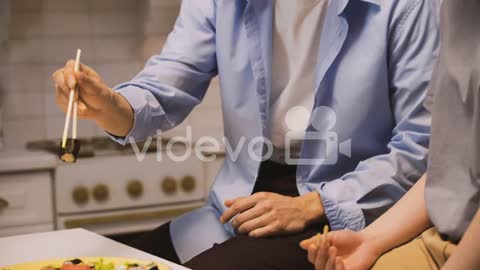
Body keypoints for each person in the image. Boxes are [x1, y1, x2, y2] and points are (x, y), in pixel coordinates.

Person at [52, 0, 439, 269]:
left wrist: (312, 205)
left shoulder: (406, 6)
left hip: (344, 200)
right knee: (110, 263)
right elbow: (166, 85)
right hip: (244, 196)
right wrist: (110, 106)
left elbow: (421, 148)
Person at [301, 1, 480, 269]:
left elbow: (415, 147)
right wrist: (369, 241)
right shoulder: (457, 10)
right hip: (443, 235)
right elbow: (451, 167)